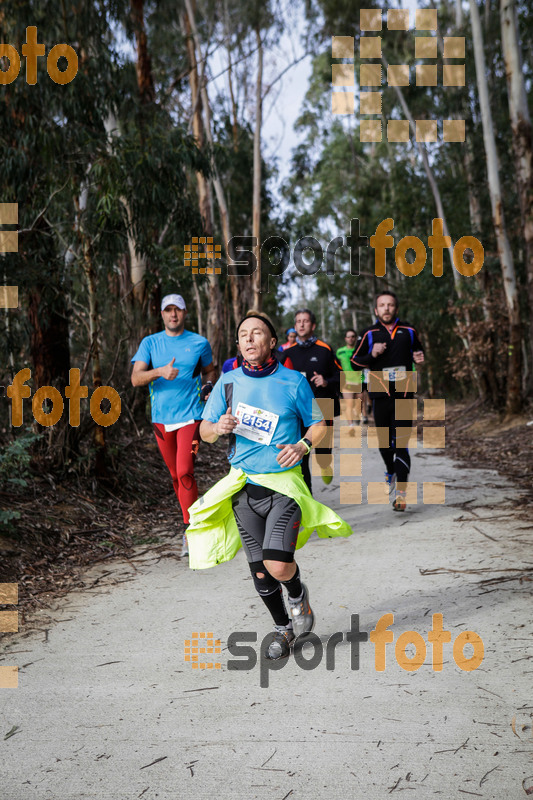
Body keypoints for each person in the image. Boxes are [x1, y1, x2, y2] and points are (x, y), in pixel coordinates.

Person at [186, 312, 352, 661]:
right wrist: (219, 427)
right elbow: (203, 431)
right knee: (260, 571)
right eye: (243, 334)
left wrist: (302, 446)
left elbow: (318, 425)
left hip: (284, 486)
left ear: (272, 342)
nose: (249, 339)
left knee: (278, 565)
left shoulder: (293, 381)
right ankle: (283, 630)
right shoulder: (227, 383)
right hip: (245, 487)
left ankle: (296, 592)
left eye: (257, 333)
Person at [131, 293, 216, 553]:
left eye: (177, 310)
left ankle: (191, 530)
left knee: (184, 471)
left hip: (191, 416)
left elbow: (209, 370)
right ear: (162, 314)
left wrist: (210, 386)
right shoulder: (150, 343)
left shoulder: (199, 343)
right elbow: (136, 378)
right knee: (174, 475)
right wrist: (159, 372)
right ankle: (192, 517)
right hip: (161, 420)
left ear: (184, 312)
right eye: (168, 310)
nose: (173, 314)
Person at [350, 291, 424, 511]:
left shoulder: (409, 330)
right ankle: (390, 469)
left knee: (401, 443)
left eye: (390, 305)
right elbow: (354, 363)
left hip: (404, 393)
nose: (386, 308)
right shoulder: (369, 333)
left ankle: (401, 495)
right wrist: (371, 355)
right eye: (382, 305)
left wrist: (418, 357)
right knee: (385, 444)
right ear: (376, 310)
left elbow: (417, 351)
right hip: (379, 394)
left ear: (396, 309)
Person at [280, 309, 341, 491]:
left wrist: (326, 381)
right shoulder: (286, 353)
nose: (301, 324)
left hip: (322, 405)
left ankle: (325, 463)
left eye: (305, 321)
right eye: (298, 321)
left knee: (323, 452)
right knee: (302, 455)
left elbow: (343, 376)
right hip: (298, 410)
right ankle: (308, 499)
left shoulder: (325, 349)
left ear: (313, 325)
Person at [336, 328, 368, 432]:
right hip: (346, 382)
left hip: (359, 380)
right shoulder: (340, 352)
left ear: (355, 338)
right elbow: (336, 365)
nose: (351, 339)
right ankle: (351, 426)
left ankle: (358, 417)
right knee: (349, 404)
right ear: (345, 338)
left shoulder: (359, 350)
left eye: (353, 337)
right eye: (348, 337)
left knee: (359, 404)